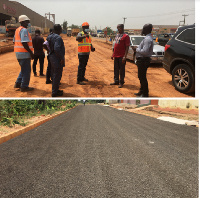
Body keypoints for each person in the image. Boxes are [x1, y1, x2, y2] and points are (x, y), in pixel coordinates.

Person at [13, 15, 34, 92]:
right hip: (24, 54)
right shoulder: (24, 30)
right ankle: (24, 87)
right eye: (27, 22)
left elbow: (14, 41)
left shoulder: (17, 30)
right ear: (23, 22)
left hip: (18, 54)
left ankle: (18, 83)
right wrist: (31, 52)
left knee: (23, 69)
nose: (28, 23)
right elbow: (24, 42)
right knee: (26, 71)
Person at [133, 23, 153, 97]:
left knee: (142, 77)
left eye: (144, 28)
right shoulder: (147, 38)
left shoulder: (147, 39)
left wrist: (136, 49)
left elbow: (145, 52)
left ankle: (145, 94)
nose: (142, 30)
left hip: (143, 60)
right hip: (142, 60)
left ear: (147, 30)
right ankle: (141, 91)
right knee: (141, 76)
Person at [47, 24, 65, 97]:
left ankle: (56, 90)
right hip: (56, 58)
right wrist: (61, 58)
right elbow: (57, 48)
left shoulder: (49, 36)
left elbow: (45, 45)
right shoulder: (58, 38)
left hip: (51, 57)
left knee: (53, 74)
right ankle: (54, 92)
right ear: (59, 29)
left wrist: (49, 52)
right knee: (57, 75)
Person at [110, 24, 130, 88]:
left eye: (118, 28)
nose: (117, 29)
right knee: (116, 69)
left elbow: (127, 47)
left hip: (122, 56)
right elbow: (115, 46)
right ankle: (116, 81)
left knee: (121, 70)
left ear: (122, 28)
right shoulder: (117, 35)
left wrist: (125, 56)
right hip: (116, 55)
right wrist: (113, 54)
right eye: (117, 28)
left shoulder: (126, 36)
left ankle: (121, 82)